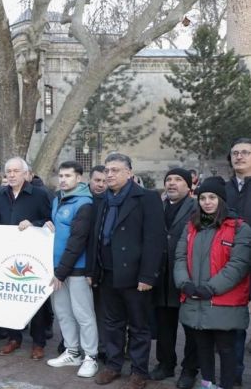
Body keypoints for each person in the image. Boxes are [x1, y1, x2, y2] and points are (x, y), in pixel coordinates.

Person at [91, 153, 166, 389]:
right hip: (107, 272)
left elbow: (155, 240)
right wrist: (93, 271)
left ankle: (138, 371)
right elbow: (96, 238)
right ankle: (113, 365)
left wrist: (147, 275)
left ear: (129, 173)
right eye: (107, 170)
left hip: (135, 276)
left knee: (138, 326)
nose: (109, 174)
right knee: (111, 324)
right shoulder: (103, 200)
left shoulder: (147, 198)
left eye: (115, 170)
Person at [174, 177, 251, 389]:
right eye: (203, 198)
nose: (207, 202)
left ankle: (226, 385)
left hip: (223, 301)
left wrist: (210, 288)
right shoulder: (191, 227)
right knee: (203, 347)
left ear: (222, 200)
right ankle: (208, 384)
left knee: (226, 349)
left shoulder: (239, 228)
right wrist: (184, 283)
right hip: (194, 299)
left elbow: (238, 265)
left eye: (212, 197)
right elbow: (179, 257)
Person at [0, 157, 52, 360]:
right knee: (10, 297)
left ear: (26, 173)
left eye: (15, 171)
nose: (11, 175)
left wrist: (33, 223)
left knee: (35, 299)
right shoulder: (0, 194)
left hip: (32, 256)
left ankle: (38, 343)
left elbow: (49, 221)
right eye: (8, 171)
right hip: (7, 255)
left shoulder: (39, 194)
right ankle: (14, 338)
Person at [44, 161, 98, 378]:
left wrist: (61, 272)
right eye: (61, 176)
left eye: (68, 176)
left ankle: (90, 357)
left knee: (83, 314)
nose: (63, 179)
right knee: (63, 313)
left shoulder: (85, 203)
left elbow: (78, 240)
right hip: (58, 268)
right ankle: (72, 351)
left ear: (79, 179)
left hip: (75, 269)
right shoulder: (58, 198)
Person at [151, 168, 198, 388]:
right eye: (168, 179)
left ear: (189, 186)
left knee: (190, 327)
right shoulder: (157, 207)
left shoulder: (197, 208)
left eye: (178, 180)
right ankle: (165, 363)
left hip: (187, 276)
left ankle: (189, 370)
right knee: (164, 325)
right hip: (161, 276)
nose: (172, 183)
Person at [224, 137, 251, 386]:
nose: (239, 157)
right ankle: (233, 374)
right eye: (235, 153)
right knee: (235, 321)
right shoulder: (224, 188)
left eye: (245, 152)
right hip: (229, 262)